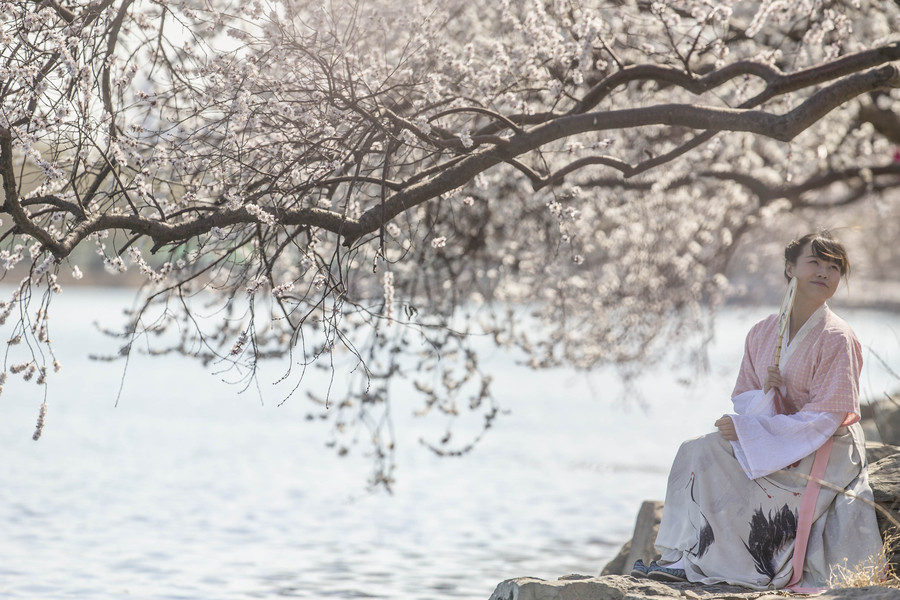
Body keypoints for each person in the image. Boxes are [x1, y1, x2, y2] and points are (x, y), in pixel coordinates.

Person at [631, 231, 883, 590]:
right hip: (778, 438)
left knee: (729, 461)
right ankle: (683, 556)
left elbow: (827, 417)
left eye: (834, 267)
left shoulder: (838, 337)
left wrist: (752, 432)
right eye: (814, 262)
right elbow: (745, 397)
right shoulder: (763, 332)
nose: (824, 272)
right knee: (698, 449)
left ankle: (729, 564)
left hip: (825, 449)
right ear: (789, 267)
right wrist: (768, 396)